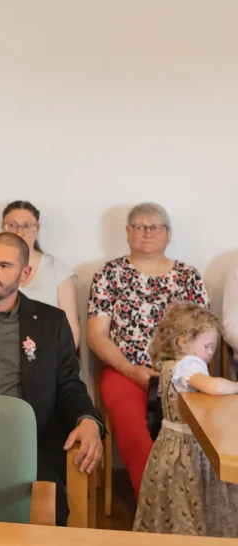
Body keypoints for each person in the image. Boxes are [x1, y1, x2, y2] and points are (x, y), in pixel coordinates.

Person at [0, 233, 102, 525]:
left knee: (53, 506)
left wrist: (88, 419)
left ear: (26, 273)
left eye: (4, 266)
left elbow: (69, 385)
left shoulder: (50, 323)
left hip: (27, 445)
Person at [87, 202, 209, 497]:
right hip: (123, 371)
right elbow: (96, 335)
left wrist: (178, 372)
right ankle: (155, 503)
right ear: (128, 233)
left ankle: (189, 502)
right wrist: (130, 369)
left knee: (192, 431)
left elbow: (205, 336)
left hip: (181, 374)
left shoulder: (188, 276)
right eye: (139, 227)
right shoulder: (110, 274)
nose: (147, 233)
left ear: (168, 234)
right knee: (132, 430)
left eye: (155, 227)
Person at [133, 304, 238, 536]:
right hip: (187, 446)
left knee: (173, 502)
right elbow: (213, 385)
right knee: (189, 500)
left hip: (171, 442)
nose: (211, 353)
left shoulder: (171, 364)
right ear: (183, 342)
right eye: (208, 346)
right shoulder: (188, 364)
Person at [0, 201, 80, 346]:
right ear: (2, 227)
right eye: (12, 225)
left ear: (38, 228)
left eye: (27, 225)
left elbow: (71, 333)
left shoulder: (57, 270)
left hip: (46, 353)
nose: (19, 232)